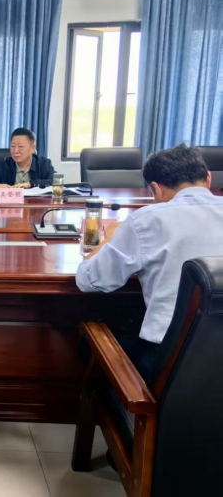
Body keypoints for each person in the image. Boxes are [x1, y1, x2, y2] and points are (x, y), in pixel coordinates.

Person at [76, 145, 223, 380]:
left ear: (156, 188)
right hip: (214, 366)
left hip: (170, 363)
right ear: (208, 178)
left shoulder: (148, 219)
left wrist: (109, 239)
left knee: (83, 341)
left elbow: (90, 281)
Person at [0, 127, 55, 191]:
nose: (15, 151)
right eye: (13, 146)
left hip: (35, 202)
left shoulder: (44, 164)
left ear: (32, 148)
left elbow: (55, 181)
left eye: (20, 146)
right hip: (10, 202)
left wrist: (31, 184)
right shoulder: (3, 165)